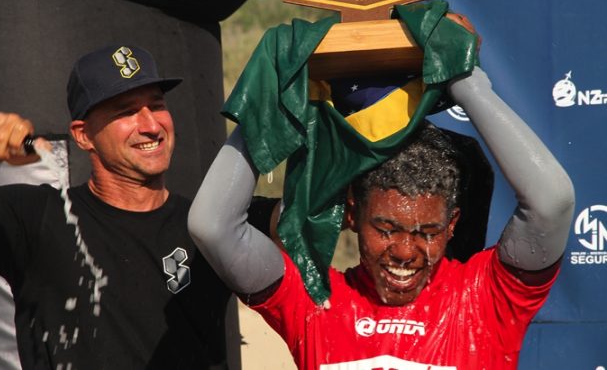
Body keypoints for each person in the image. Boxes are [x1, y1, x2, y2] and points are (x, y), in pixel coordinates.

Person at [188, 64, 575, 368]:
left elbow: (552, 203)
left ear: (452, 224)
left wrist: (466, 82)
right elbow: (212, 225)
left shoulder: (485, 300)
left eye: (427, 231)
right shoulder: (314, 302)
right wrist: (269, 102)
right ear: (353, 214)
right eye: (386, 229)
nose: (405, 251)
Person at [0, 45, 232, 369]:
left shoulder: (208, 225)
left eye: (156, 105)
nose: (151, 125)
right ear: (83, 136)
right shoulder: (39, 217)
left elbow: (304, 224)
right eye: (126, 112)